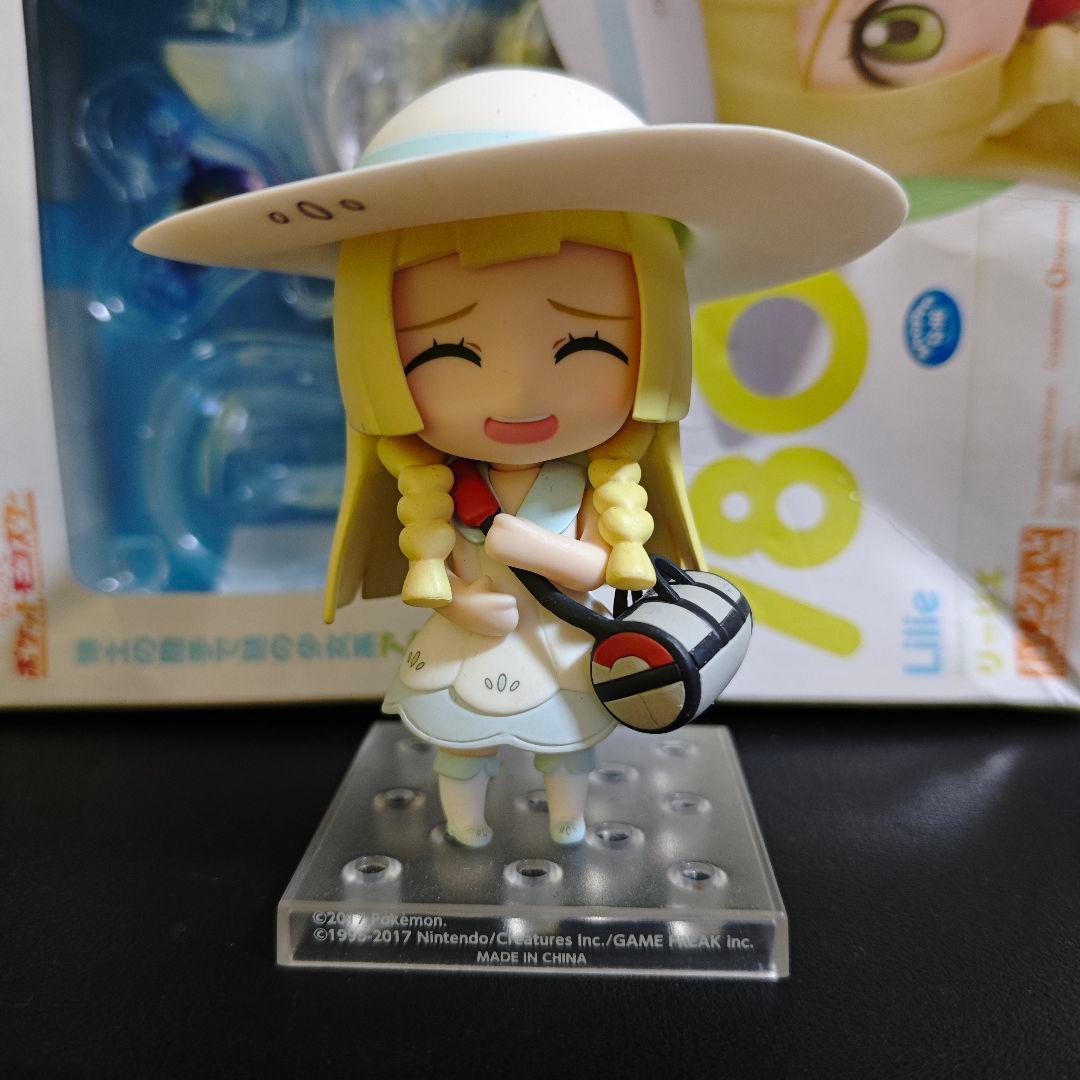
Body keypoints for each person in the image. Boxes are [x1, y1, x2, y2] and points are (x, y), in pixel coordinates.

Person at [135, 67, 905, 847]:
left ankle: (567, 816)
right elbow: (438, 571)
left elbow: (599, 567)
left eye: (585, 343)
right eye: (447, 352)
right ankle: (464, 822)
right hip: (473, 641)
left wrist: (524, 545)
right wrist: (461, 605)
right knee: (459, 743)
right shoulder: (437, 489)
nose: (517, 391)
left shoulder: (599, 485)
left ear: (657, 348)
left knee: (565, 745)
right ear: (373, 361)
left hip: (558, 645)